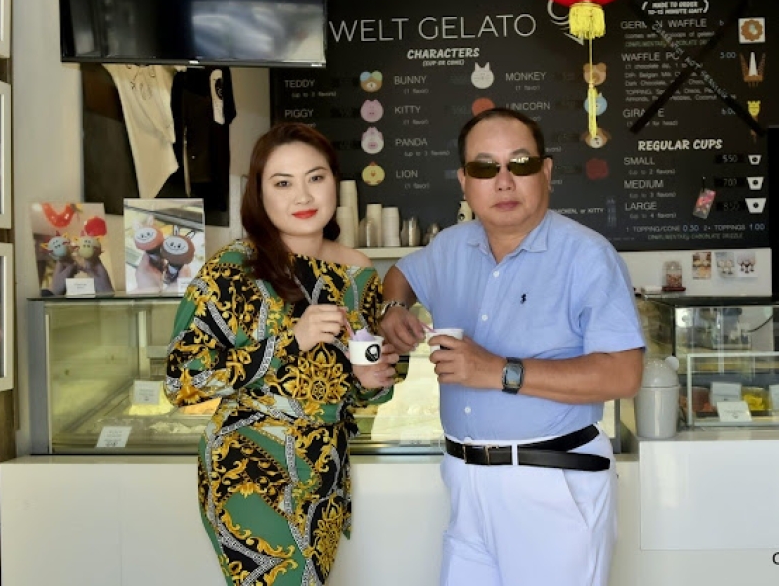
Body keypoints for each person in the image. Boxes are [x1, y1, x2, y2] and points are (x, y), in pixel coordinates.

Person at [379, 107, 644, 586]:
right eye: (485, 168)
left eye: (520, 164)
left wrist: (500, 371)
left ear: (546, 171)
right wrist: (394, 308)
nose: (503, 182)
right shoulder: (451, 247)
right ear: (464, 181)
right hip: (464, 480)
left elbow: (624, 375)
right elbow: (401, 274)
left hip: (552, 482)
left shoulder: (587, 256)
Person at [165, 122, 397, 586]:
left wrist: (373, 383)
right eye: (283, 183)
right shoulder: (232, 271)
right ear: (259, 194)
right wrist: (290, 339)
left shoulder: (358, 273)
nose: (303, 195)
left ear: (334, 182)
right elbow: (181, 381)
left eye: (316, 177)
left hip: (325, 470)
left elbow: (360, 387)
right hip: (249, 471)